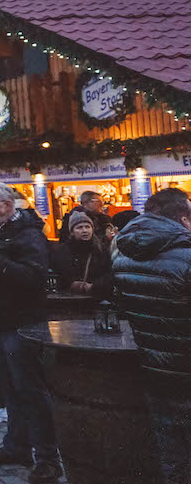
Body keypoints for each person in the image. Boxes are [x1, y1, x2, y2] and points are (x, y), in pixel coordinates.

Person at [0, 182, 62, 483]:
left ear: (8, 206)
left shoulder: (29, 234)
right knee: (9, 388)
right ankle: (17, 445)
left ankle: (47, 458)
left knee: (29, 389)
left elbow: (33, 277)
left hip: (20, 323)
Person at [112, 186, 191, 484]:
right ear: (183, 219)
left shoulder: (125, 256)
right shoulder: (186, 258)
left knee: (172, 451)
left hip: (156, 369)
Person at [49, 211, 110, 298]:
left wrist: (94, 286)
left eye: (87, 227)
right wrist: (71, 283)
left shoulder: (101, 250)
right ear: (72, 232)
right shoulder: (62, 251)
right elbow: (59, 273)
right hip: (69, 300)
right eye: (79, 227)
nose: (84, 230)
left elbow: (108, 274)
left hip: (95, 298)